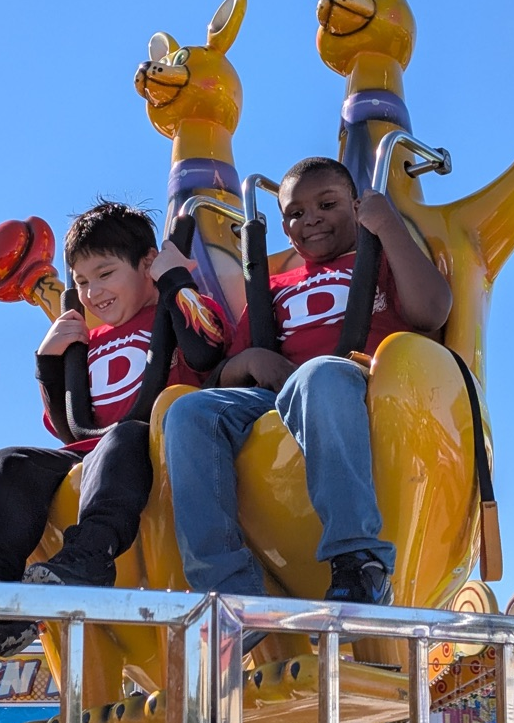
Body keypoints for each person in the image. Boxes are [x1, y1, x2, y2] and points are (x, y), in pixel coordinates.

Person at [163, 156, 452, 630]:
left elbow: (432, 311)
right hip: (278, 392)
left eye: (327, 204)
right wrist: (252, 361)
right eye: (295, 214)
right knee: (189, 413)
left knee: (318, 374)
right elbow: (221, 375)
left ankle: (358, 559)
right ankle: (227, 590)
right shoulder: (276, 286)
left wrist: (388, 225)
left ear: (356, 208)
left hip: (356, 379)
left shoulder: (376, 264)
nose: (310, 218)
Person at [0, 199, 230, 659]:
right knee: (9, 464)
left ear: (147, 263)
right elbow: (67, 427)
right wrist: (49, 362)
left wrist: (174, 280)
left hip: (152, 443)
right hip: (92, 449)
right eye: (82, 282)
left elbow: (207, 349)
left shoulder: (171, 310)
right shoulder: (89, 336)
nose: (92, 292)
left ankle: (88, 558)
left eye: (105, 274)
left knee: (122, 438)